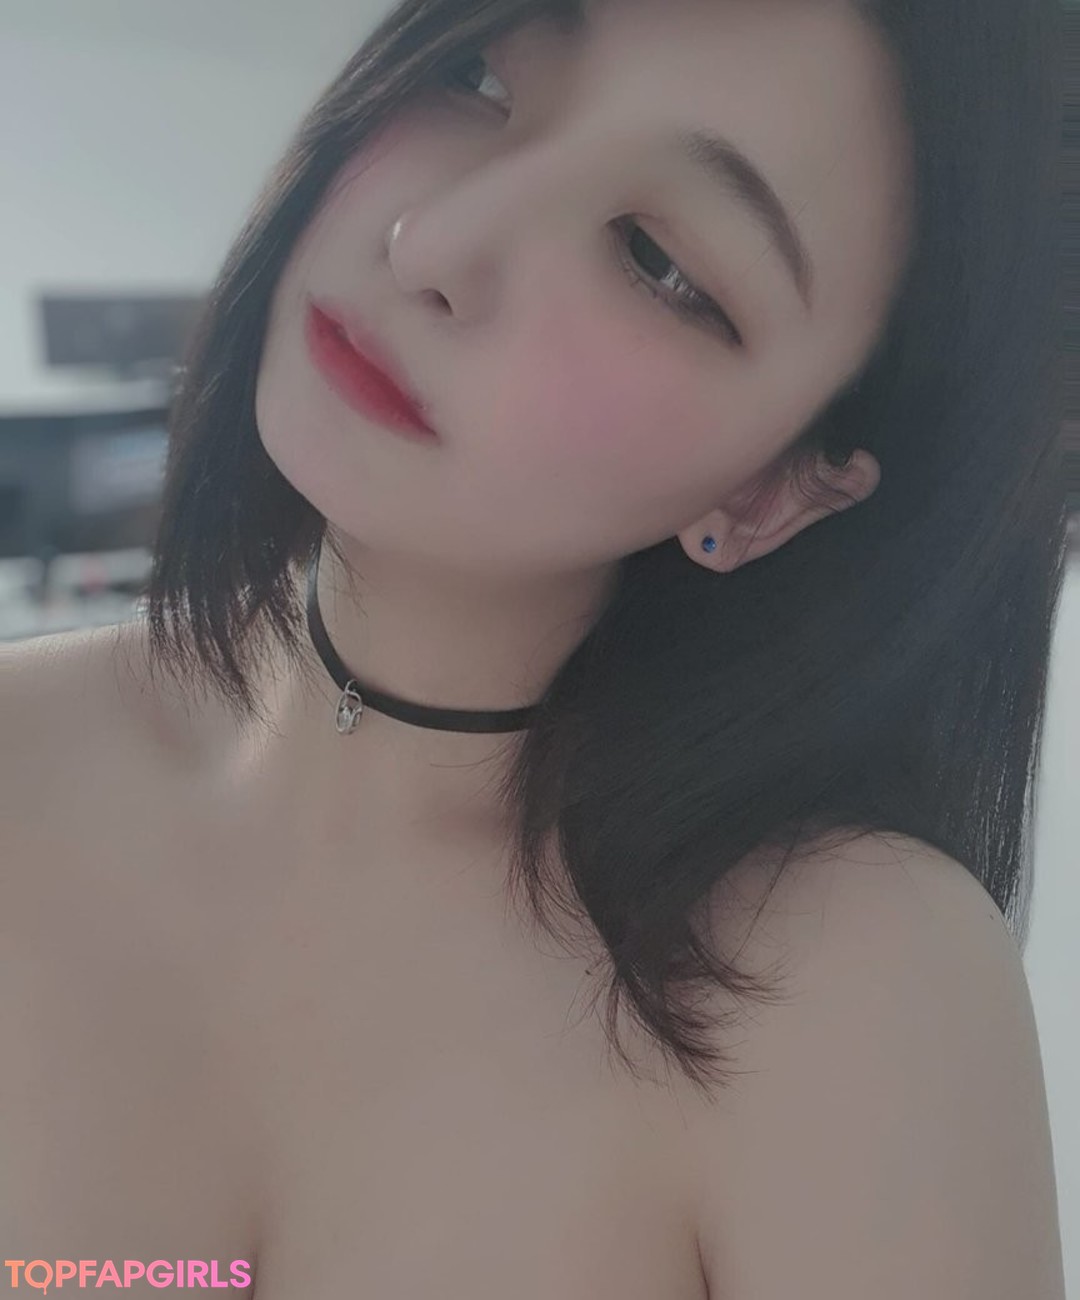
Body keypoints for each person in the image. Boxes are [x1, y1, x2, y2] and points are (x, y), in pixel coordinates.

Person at [0, 0, 1068, 1295]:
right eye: (477, 77)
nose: (432, 240)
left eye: (657, 259)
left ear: (776, 491)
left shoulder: (850, 985)